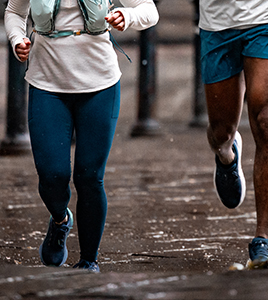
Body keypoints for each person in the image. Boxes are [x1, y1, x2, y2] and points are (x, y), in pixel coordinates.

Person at [5, 0, 159, 272]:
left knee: (89, 176)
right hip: (46, 83)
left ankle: (89, 260)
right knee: (52, 175)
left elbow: (150, 11)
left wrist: (128, 15)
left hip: (100, 83)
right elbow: (15, 11)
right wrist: (17, 38)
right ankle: (60, 219)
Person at [199, 0, 268, 267]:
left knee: (266, 122)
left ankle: (263, 238)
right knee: (221, 130)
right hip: (218, 24)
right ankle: (227, 154)